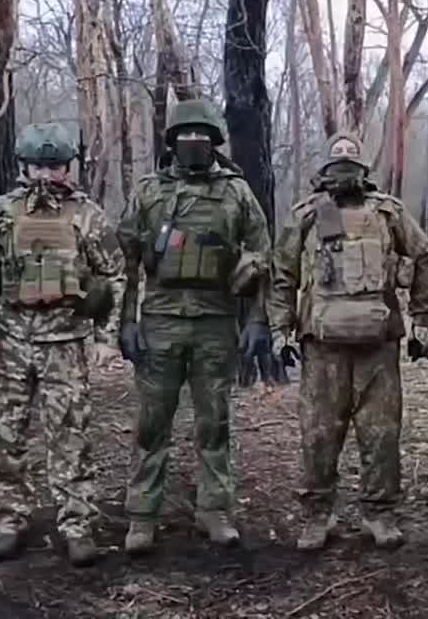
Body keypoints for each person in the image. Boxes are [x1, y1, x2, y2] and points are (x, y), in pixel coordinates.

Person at [0, 123, 125, 567]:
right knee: (6, 437)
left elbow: (113, 276)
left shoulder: (87, 215)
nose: (46, 175)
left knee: (70, 437)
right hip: (10, 340)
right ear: (23, 168)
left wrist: (106, 338)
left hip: (65, 342)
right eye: (37, 167)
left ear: (68, 168)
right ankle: (9, 520)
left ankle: (77, 524)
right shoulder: (0, 212)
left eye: (54, 167)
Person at [268, 132, 428, 551]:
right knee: (318, 433)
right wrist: (280, 329)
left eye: (351, 155)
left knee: (381, 433)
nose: (344, 161)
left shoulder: (389, 212)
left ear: (364, 167)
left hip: (378, 343)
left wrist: (423, 319)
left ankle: (379, 513)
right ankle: (317, 515)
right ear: (325, 166)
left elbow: (425, 257)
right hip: (321, 344)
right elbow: (282, 273)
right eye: (337, 155)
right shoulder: (308, 214)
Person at [118, 98, 273, 552]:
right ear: (171, 142)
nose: (193, 143)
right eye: (185, 136)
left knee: (214, 421)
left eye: (201, 136)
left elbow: (261, 256)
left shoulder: (236, 192)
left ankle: (215, 509)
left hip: (215, 321)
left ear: (214, 142)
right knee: (152, 422)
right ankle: (142, 514)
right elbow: (125, 260)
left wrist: (258, 320)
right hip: (160, 320)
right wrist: (125, 322)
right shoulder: (149, 191)